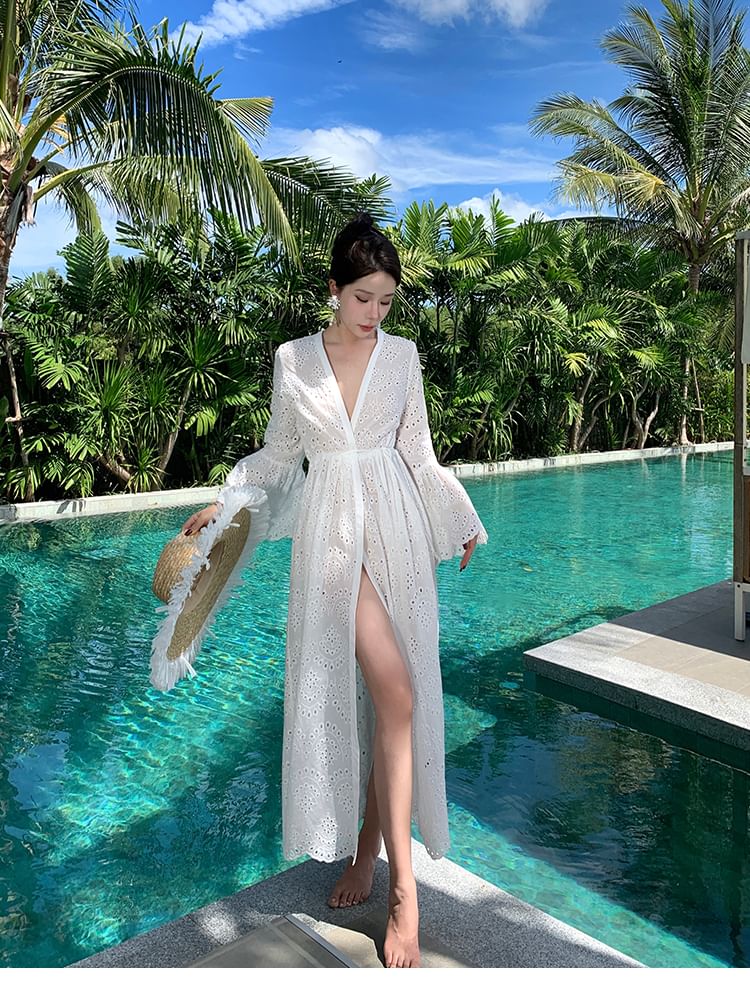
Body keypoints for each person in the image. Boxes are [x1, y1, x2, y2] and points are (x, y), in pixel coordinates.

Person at [181, 213, 488, 969]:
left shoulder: (402, 356)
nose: (374, 313)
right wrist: (225, 502)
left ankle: (367, 853)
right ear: (333, 289)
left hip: (397, 531)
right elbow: (279, 455)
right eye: (362, 298)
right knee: (397, 693)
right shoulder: (293, 361)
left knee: (391, 701)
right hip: (331, 540)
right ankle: (405, 892)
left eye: (385, 300)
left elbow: (418, 454)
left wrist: (460, 516)